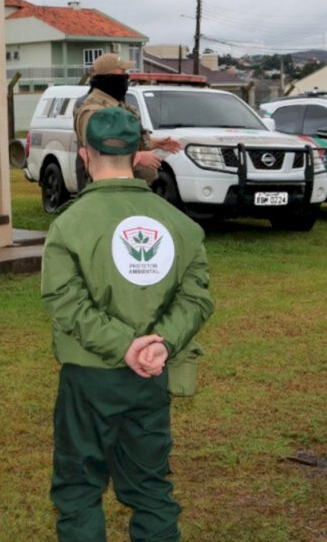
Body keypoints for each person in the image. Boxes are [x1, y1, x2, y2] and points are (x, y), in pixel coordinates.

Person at [42, 106, 214, 542]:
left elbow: (66, 303)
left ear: (85, 155)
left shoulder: (68, 226)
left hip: (88, 380)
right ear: (138, 153)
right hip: (151, 376)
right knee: (151, 488)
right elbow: (196, 298)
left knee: (80, 488)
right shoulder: (181, 225)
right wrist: (159, 345)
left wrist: (123, 347)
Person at [73, 53, 181, 188]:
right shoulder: (93, 112)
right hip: (107, 190)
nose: (126, 78)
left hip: (126, 187)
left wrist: (155, 143)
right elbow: (100, 155)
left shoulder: (117, 105)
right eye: (122, 74)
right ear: (107, 78)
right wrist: (139, 158)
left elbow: (122, 141)